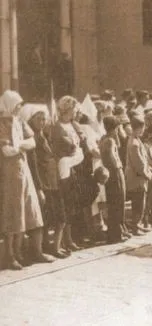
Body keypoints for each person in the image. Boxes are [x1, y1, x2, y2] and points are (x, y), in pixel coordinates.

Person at [0, 90, 54, 270]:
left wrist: (19, 146)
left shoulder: (19, 121)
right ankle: (10, 255)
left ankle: (32, 252)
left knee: (31, 210)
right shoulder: (2, 123)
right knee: (13, 214)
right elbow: (6, 151)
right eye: (15, 105)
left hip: (24, 171)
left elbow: (32, 142)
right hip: (9, 174)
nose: (18, 109)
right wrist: (19, 147)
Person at [25, 105, 67, 257]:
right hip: (43, 183)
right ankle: (41, 251)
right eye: (39, 119)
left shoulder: (45, 136)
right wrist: (39, 187)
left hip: (53, 181)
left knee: (60, 217)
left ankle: (55, 247)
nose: (42, 122)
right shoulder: (32, 138)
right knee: (44, 219)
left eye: (44, 119)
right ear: (31, 119)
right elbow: (34, 165)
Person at [51, 95, 84, 253]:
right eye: (73, 109)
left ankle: (69, 239)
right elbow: (68, 148)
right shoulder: (57, 127)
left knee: (71, 205)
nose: (75, 112)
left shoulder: (73, 125)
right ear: (67, 110)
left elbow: (78, 143)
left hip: (73, 168)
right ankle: (62, 241)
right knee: (64, 205)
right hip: (63, 170)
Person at [100, 116, 128, 243]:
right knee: (118, 202)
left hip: (111, 172)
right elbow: (112, 157)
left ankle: (119, 231)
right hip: (115, 172)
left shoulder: (104, 138)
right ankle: (116, 234)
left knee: (115, 202)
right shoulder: (109, 140)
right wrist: (117, 168)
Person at [125, 114, 152, 235]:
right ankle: (135, 225)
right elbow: (139, 164)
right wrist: (148, 175)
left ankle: (138, 224)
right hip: (137, 178)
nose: (143, 130)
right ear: (136, 128)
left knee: (140, 202)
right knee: (138, 203)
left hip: (139, 177)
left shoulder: (136, 140)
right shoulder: (134, 143)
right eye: (141, 128)